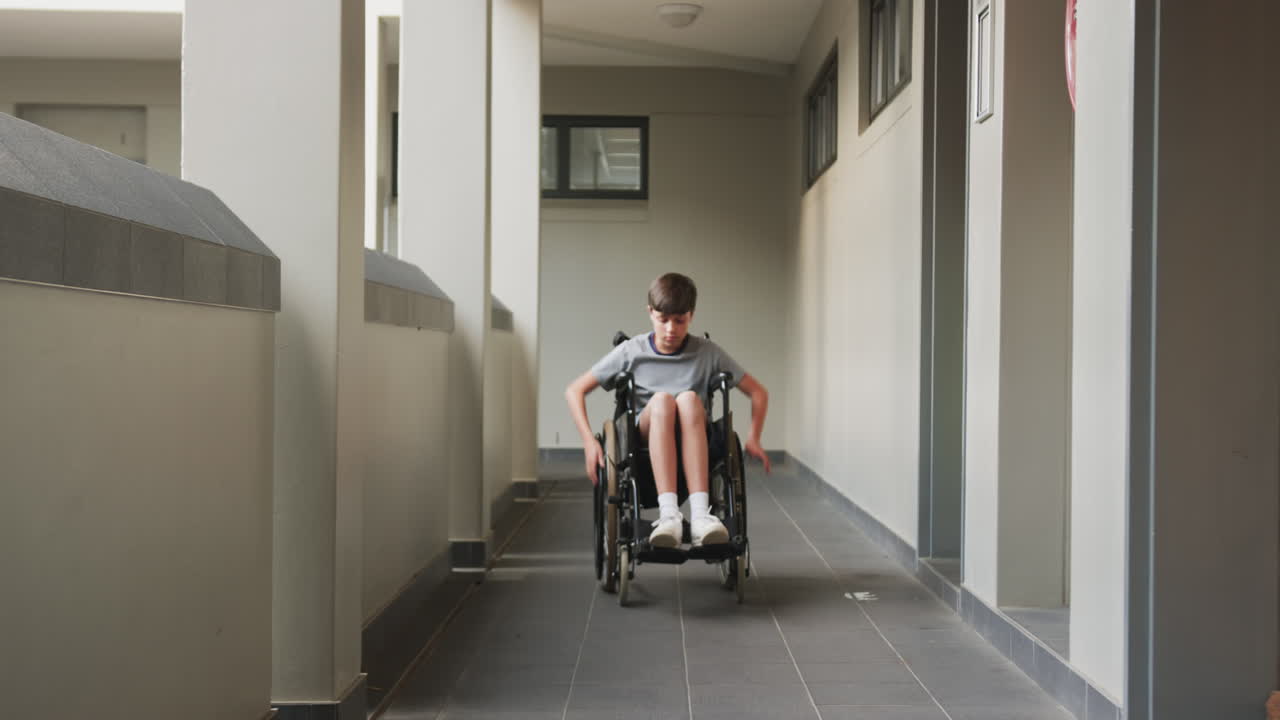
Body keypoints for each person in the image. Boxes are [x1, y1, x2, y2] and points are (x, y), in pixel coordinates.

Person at [564, 272, 771, 549]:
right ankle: (669, 515)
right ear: (650, 313)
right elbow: (574, 390)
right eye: (663, 320)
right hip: (646, 439)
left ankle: (700, 516)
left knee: (686, 400)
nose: (671, 329)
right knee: (663, 401)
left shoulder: (707, 352)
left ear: (691, 316)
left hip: (695, 434)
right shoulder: (631, 351)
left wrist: (754, 437)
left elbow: (758, 392)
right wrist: (589, 442)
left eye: (679, 320)